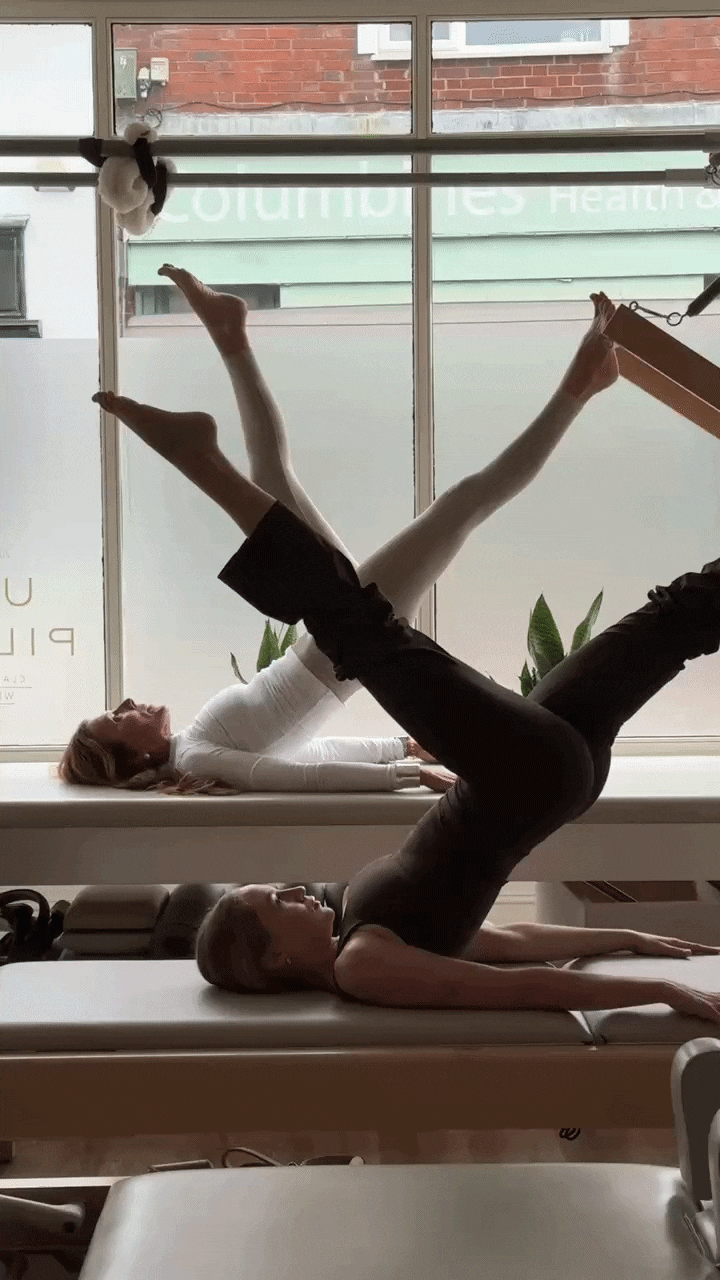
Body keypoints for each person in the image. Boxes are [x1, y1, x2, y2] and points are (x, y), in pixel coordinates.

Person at [94, 291, 720, 1026]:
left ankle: (205, 452)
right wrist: (660, 989)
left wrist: (629, 938)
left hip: (541, 773)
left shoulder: (359, 924)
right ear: (275, 959)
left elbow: (504, 941)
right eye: (273, 902)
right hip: (520, 775)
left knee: (669, 621)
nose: (294, 890)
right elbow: (519, 987)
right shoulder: (363, 965)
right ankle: (201, 459)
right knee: (359, 627)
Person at [61, 269, 617, 796]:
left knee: (275, 478)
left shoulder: (193, 746)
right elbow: (293, 776)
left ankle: (230, 335)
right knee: (461, 506)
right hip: (344, 640)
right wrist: (402, 771)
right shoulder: (195, 760)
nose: (127, 702)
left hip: (330, 640)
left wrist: (400, 748)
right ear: (132, 759)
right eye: (116, 717)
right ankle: (581, 385)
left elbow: (302, 751)